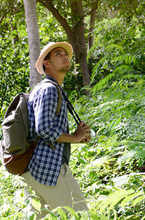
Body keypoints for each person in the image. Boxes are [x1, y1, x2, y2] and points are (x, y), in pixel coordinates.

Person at [22, 42, 91, 218]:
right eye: (58, 54)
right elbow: (44, 129)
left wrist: (76, 136)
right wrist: (75, 138)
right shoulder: (49, 89)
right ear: (47, 64)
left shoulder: (48, 89)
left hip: (33, 169)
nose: (65, 56)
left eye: (66, 54)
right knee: (78, 215)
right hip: (49, 169)